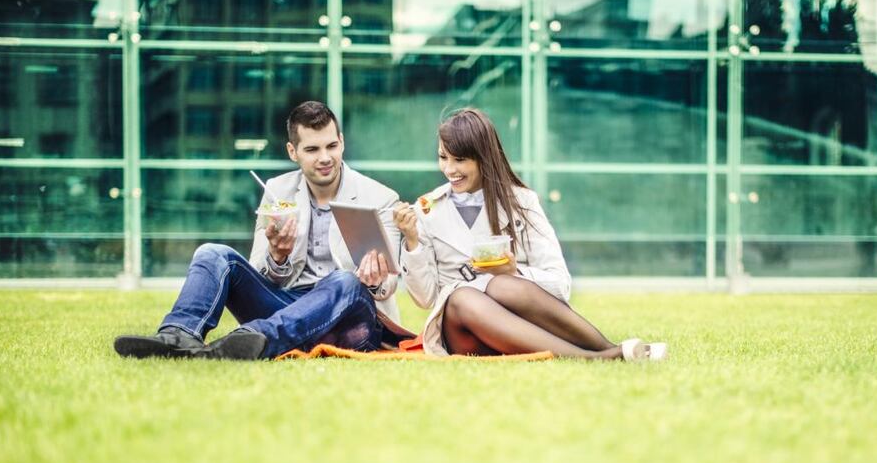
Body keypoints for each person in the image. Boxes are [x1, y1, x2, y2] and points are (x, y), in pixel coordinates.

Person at [115, 100, 407, 360]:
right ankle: (178, 334)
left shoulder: (380, 198)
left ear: (341, 142)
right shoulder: (277, 191)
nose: (325, 158)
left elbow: (388, 285)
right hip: (286, 305)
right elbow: (257, 271)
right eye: (312, 149)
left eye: (331, 146)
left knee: (345, 280)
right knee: (213, 254)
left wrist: (373, 280)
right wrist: (277, 258)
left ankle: (254, 338)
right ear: (293, 151)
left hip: (348, 319)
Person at [393, 108, 666, 361]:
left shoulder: (521, 202)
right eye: (443, 157)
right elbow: (425, 299)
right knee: (463, 295)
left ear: (483, 157)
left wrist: (515, 273)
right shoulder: (427, 210)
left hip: (519, 322)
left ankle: (611, 348)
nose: (449, 169)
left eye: (460, 160)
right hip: (462, 330)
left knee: (501, 284)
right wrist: (412, 240)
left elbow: (561, 285)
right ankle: (598, 357)